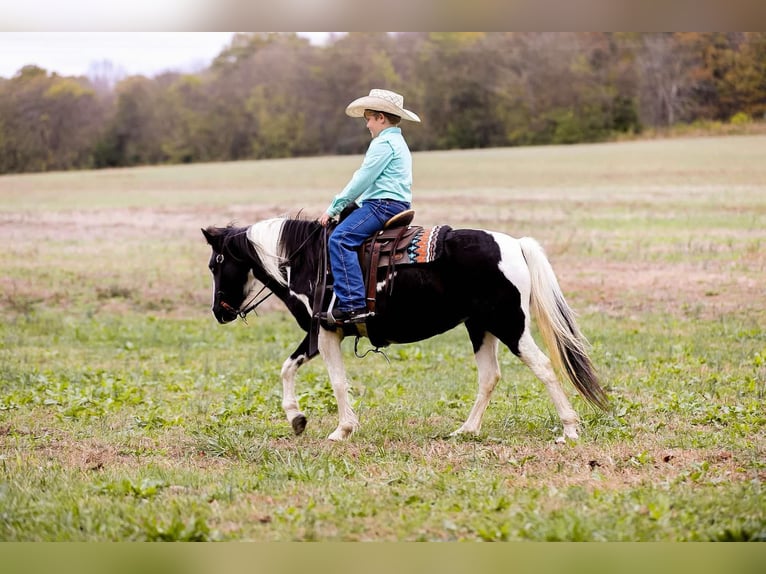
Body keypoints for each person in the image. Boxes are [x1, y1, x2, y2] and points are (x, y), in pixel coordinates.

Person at [319, 89, 421, 325]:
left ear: (381, 118)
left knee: (340, 239)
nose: (367, 125)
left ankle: (354, 305)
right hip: (394, 203)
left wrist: (334, 207)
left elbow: (361, 179)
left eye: (369, 119)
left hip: (382, 205)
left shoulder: (383, 143)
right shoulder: (398, 141)